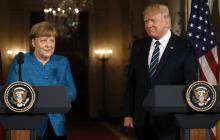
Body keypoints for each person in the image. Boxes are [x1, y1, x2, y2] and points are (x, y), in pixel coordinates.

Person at [122, 3, 198, 140]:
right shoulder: (139, 46)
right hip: (142, 120)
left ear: (166, 22)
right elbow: (131, 83)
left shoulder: (184, 47)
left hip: (170, 122)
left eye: (153, 21)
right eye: (146, 21)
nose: (148, 25)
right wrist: (128, 114)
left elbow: (190, 85)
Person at [7, 21, 77, 140]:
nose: (49, 45)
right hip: (29, 125)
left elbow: (72, 92)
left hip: (57, 125)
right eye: (44, 40)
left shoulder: (62, 62)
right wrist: (53, 98)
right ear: (34, 42)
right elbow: (11, 92)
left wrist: (37, 97)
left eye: (52, 40)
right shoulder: (21, 61)